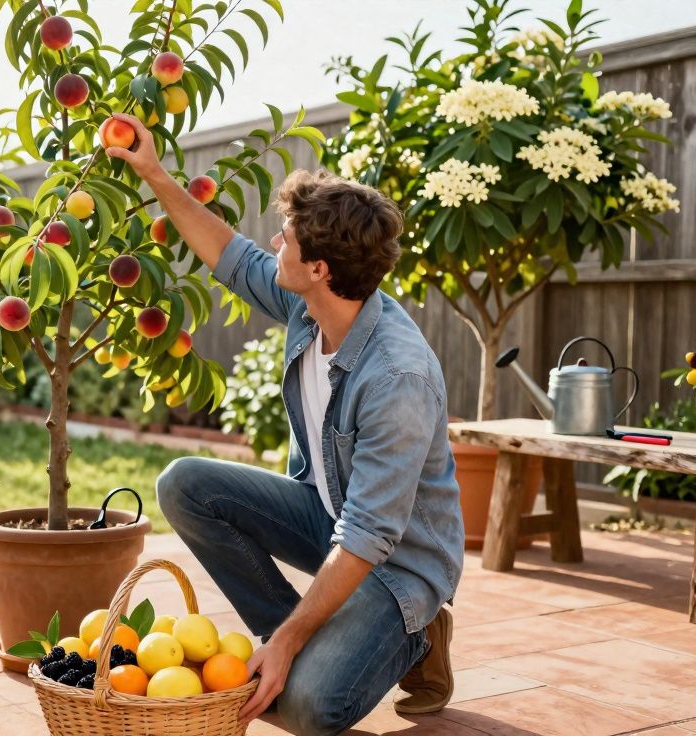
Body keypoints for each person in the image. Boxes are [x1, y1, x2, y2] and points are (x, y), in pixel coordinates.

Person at [104, 113, 465, 735]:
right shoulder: (311, 304)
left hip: (396, 561)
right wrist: (154, 172)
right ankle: (291, 640)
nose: (274, 244)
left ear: (320, 267)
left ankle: (414, 633)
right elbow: (227, 251)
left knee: (305, 708)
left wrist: (298, 642)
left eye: (286, 237)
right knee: (185, 484)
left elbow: (369, 536)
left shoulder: (396, 379)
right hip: (330, 518)